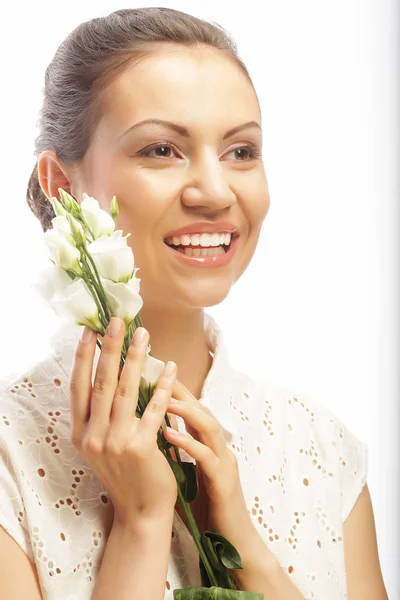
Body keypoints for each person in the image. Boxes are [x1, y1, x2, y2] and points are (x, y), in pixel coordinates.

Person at [0, 7, 388, 600]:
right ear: (61, 186)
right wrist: (142, 524)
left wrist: (245, 549)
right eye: (161, 150)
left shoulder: (320, 448)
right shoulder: (11, 454)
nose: (214, 191)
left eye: (241, 152)